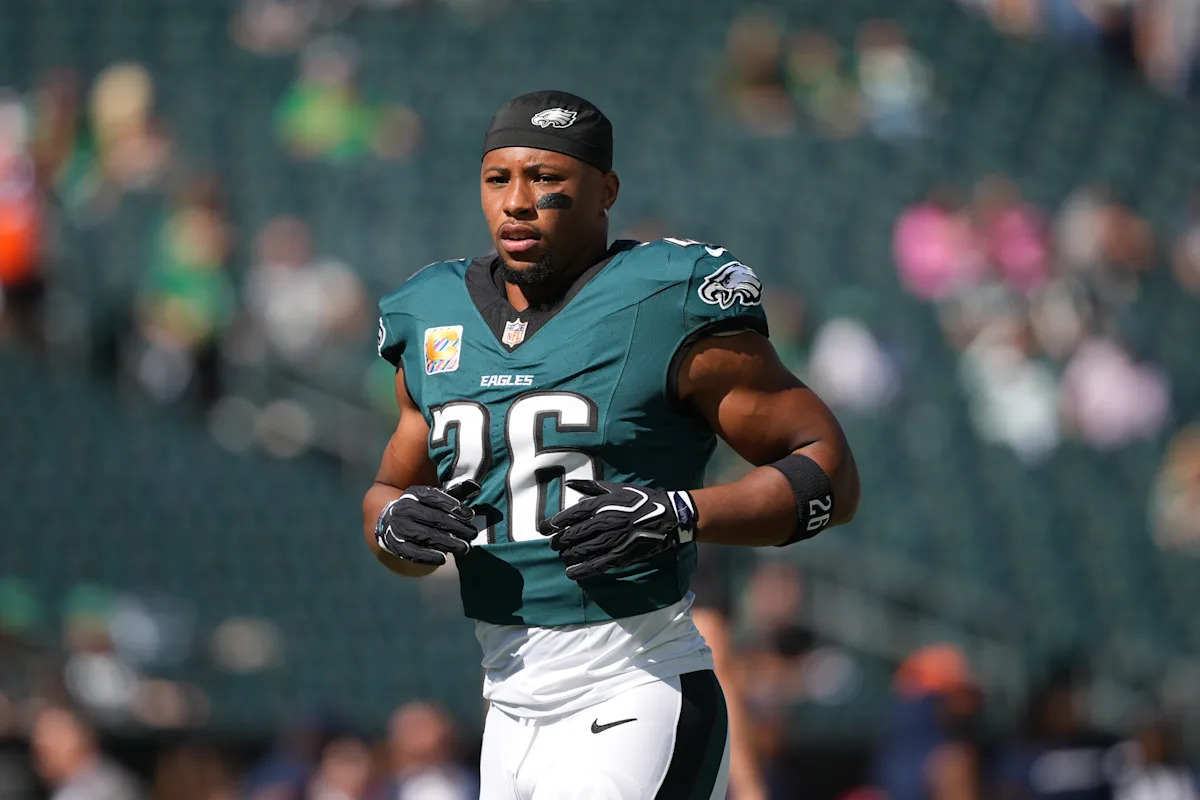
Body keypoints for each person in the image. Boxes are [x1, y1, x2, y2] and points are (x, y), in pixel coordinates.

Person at [362, 89, 860, 799]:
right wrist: (392, 524)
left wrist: (680, 513)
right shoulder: (430, 311)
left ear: (606, 191)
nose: (517, 202)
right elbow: (388, 494)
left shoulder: (663, 298)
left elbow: (831, 472)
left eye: (546, 179)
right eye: (498, 179)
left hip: (636, 685)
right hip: (505, 710)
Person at [29, 705, 145, 800]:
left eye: (55, 738)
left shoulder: (106, 788)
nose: (42, 755)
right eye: (38, 748)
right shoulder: (69, 788)